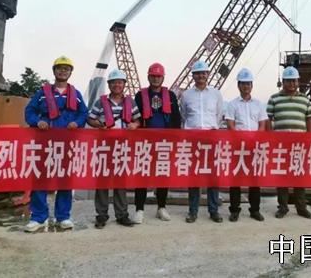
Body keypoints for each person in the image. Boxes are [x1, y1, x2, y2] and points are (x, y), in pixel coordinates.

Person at [24, 56, 88, 232]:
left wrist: (77, 123)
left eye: (66, 69)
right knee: (40, 179)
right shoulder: (42, 94)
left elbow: (84, 113)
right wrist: (37, 121)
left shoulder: (76, 95)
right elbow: (29, 111)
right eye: (59, 68)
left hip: (66, 144)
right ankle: (38, 217)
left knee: (65, 179)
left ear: (70, 73)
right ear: (54, 71)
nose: (62, 71)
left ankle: (63, 217)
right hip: (45, 142)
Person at [87, 69, 140, 229]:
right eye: (114, 82)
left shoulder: (130, 103)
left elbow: (138, 120)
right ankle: (101, 215)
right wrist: (99, 125)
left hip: (123, 147)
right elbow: (90, 119)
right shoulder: (100, 102)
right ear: (109, 85)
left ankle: (122, 215)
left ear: (124, 84)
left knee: (120, 182)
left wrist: (134, 125)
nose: (117, 85)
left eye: (120, 82)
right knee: (103, 181)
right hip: (104, 147)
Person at [133, 62, 181, 223]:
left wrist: (175, 139)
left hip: (165, 142)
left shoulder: (171, 96)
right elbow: (135, 116)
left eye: (158, 76)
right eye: (153, 76)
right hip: (145, 143)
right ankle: (139, 209)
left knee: (163, 175)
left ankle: (161, 207)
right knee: (142, 176)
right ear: (148, 77)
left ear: (163, 78)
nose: (155, 79)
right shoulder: (140, 96)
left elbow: (176, 118)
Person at [267, 66, 311, 219]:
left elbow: (309, 119)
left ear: (298, 82)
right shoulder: (274, 98)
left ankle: (301, 208)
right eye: (288, 81)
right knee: (282, 177)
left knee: (299, 176)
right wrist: (271, 138)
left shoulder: (304, 99)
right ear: (283, 82)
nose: (291, 84)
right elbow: (268, 119)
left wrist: (309, 139)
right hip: (281, 146)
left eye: (294, 81)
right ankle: (283, 207)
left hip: (300, 146)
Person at [180, 60, 224, 223]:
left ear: (208, 74)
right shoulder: (186, 95)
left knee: (213, 176)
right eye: (197, 73)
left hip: (211, 138)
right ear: (193, 76)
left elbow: (218, 116)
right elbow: (184, 116)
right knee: (194, 176)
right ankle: (193, 211)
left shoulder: (216, 94)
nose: (201, 76)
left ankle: (213, 210)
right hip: (193, 139)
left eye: (203, 73)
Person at [225, 68, 268, 222]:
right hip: (238, 147)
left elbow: (262, 124)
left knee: (254, 180)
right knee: (235, 179)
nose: (246, 86)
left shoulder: (259, 104)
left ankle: (254, 210)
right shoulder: (232, 104)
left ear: (252, 85)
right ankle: (234, 210)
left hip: (255, 147)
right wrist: (241, 140)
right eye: (243, 83)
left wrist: (256, 139)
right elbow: (230, 124)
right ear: (238, 85)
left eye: (248, 83)